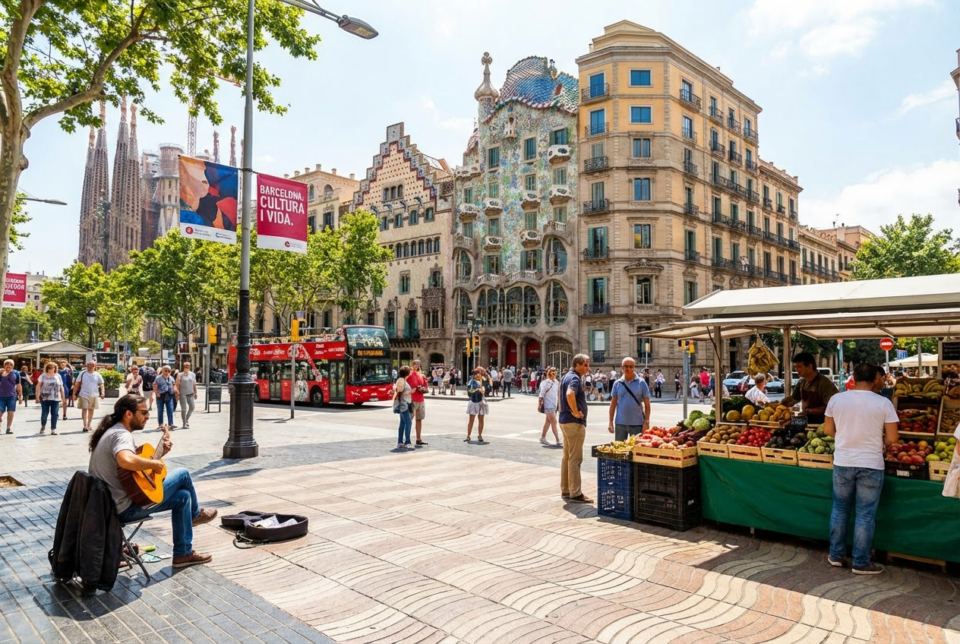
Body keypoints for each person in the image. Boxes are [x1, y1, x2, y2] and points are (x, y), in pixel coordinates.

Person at [88, 395, 217, 568]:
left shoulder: (111, 431)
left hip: (110, 507)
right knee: (183, 474)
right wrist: (153, 463)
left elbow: (130, 474)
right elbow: (125, 461)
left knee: (183, 497)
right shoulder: (121, 435)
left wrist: (159, 455)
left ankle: (183, 554)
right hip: (125, 509)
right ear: (128, 414)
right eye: (143, 412)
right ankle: (195, 515)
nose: (148, 416)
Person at [823, 364, 898, 575]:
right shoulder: (884, 403)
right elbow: (892, 438)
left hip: (843, 461)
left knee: (839, 509)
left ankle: (836, 555)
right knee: (865, 514)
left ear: (854, 378)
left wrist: (848, 437)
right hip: (871, 464)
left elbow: (828, 430)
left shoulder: (837, 399)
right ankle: (861, 562)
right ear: (875, 378)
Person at [559, 353, 592, 504]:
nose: (587, 368)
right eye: (585, 365)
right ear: (577, 365)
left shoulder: (566, 376)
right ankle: (575, 492)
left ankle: (565, 489)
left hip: (564, 421)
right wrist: (575, 412)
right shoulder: (574, 378)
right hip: (573, 422)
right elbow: (569, 394)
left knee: (567, 456)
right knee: (575, 458)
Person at [784, 352, 839, 424]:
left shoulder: (825, 383)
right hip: (806, 422)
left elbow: (833, 407)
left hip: (822, 424)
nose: (796, 370)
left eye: (799, 367)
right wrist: (780, 404)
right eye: (795, 367)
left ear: (809, 366)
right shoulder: (801, 382)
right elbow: (794, 399)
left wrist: (810, 411)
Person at [608, 358, 651, 441]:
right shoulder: (617, 383)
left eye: (631, 366)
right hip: (620, 423)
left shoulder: (641, 383)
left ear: (634, 367)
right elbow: (613, 404)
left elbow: (647, 404)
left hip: (637, 424)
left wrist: (646, 422)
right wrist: (610, 422)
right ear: (622, 368)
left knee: (635, 451)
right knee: (619, 451)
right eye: (626, 366)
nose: (628, 369)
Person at [73, 361, 105, 433]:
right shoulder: (82, 373)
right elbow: (77, 383)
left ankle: (89, 425)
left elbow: (101, 384)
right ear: (86, 366)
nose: (90, 366)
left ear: (95, 366)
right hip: (83, 394)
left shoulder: (97, 374)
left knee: (91, 410)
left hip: (94, 395)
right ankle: (85, 425)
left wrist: (102, 392)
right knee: (84, 409)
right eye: (89, 365)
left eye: (92, 365)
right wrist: (74, 394)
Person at [36, 361, 66, 436]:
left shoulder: (58, 376)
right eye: (49, 368)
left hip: (55, 397)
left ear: (55, 368)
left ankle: (53, 429)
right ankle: (43, 426)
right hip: (45, 397)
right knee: (44, 413)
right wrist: (37, 396)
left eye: (53, 368)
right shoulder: (43, 376)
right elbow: (38, 386)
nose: (51, 369)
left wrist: (63, 397)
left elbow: (61, 386)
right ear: (47, 368)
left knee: (55, 414)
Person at [407, 359, 429, 447]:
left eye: (418, 364)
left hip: (421, 400)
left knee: (419, 419)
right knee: (409, 420)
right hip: (412, 400)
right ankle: (407, 439)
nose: (417, 366)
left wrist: (422, 389)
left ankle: (418, 439)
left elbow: (426, 388)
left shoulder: (422, 376)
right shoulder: (409, 374)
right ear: (412, 365)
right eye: (415, 364)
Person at [538, 367, 561, 446]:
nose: (554, 375)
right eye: (552, 374)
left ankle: (542, 437)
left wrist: (559, 404)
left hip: (554, 405)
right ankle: (558, 440)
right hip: (548, 405)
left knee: (548, 422)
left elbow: (557, 394)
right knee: (554, 422)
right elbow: (541, 395)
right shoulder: (546, 383)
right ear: (549, 374)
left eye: (555, 373)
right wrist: (539, 405)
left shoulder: (556, 382)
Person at [465, 368, 487, 443]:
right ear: (474, 375)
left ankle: (480, 435)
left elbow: (489, 385)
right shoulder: (471, 382)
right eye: (477, 373)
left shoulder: (482, 380)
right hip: (474, 402)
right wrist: (477, 390)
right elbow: (469, 391)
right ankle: (468, 436)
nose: (479, 375)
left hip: (481, 401)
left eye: (479, 373)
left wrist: (484, 388)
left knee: (481, 419)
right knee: (471, 420)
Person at [0, 360, 21, 435]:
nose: (8, 366)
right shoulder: (1, 373)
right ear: (4, 365)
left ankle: (9, 428)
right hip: (1, 396)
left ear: (13, 366)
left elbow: (18, 385)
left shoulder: (16, 373)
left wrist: (20, 396)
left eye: (10, 364)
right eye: (7, 364)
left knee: (10, 411)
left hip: (12, 396)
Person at [393, 365, 412, 450]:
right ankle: (406, 441)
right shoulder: (401, 380)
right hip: (403, 404)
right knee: (408, 422)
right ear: (407, 373)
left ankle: (400, 442)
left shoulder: (402, 380)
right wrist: (410, 392)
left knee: (402, 423)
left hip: (404, 403)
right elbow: (399, 392)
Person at [176, 361, 198, 429]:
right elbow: (177, 384)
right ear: (183, 367)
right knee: (184, 409)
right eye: (186, 366)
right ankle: (184, 423)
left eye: (188, 366)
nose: (187, 367)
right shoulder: (180, 374)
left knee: (192, 407)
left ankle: (187, 419)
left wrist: (195, 392)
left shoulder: (192, 374)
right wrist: (177, 393)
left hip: (190, 393)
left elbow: (194, 384)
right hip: (182, 393)